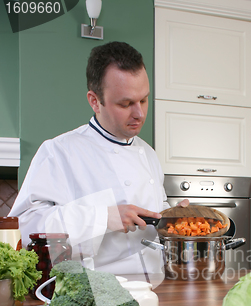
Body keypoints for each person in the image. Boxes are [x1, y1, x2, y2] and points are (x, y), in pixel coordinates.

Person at [9, 41, 187, 278]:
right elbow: (26, 226)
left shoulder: (148, 153)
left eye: (143, 100)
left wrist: (172, 217)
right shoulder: (59, 152)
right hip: (98, 294)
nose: (140, 114)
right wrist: (102, 217)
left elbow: (153, 211)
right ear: (95, 101)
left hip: (157, 284)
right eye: (125, 104)